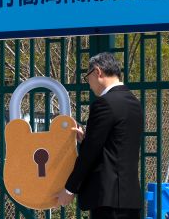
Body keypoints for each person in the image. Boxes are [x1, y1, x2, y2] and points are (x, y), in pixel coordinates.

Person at [56, 52, 144, 219]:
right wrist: (87, 139)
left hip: (107, 200)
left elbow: (90, 153)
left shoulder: (104, 103)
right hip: (130, 198)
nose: (88, 83)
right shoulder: (134, 102)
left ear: (97, 72)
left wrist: (70, 189)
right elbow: (116, 146)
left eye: (87, 77)